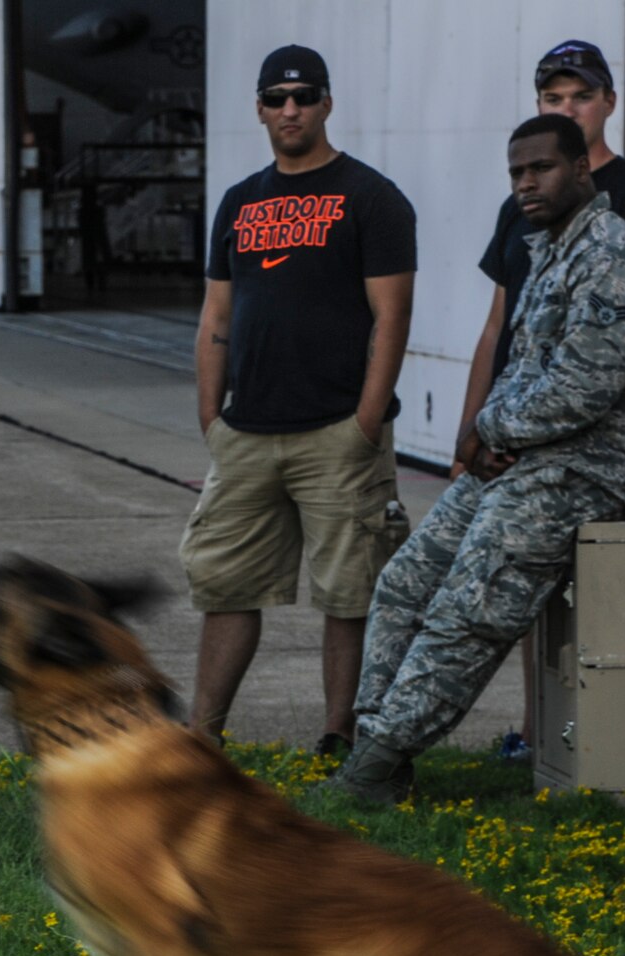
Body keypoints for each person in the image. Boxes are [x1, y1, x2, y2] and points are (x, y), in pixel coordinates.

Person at [331, 115, 625, 806]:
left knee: (469, 605)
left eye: (541, 168)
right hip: (525, 459)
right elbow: (525, 369)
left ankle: (371, 770)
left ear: (581, 170)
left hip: (590, 470)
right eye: (517, 172)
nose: (526, 183)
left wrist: (483, 427)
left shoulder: (611, 254)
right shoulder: (546, 247)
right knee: (404, 582)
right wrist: (488, 442)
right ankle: (378, 749)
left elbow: (584, 390)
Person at [181, 44, 415, 755]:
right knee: (225, 586)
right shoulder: (239, 202)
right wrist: (211, 418)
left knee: (349, 593)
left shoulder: (371, 198)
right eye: (277, 99)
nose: (291, 110)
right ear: (258, 108)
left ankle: (337, 735)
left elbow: (391, 317)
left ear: (326, 104)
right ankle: (201, 739)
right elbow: (215, 316)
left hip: (338, 432)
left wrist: (366, 423)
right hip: (247, 433)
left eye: (304, 97)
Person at [456, 39, 625, 762]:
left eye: (579, 97)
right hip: (513, 428)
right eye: (552, 99)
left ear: (609, 104)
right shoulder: (520, 197)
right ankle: (533, 727)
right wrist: (470, 428)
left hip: (591, 442)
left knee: (578, 590)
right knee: (515, 589)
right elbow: (498, 323)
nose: (567, 109)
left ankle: (591, 735)